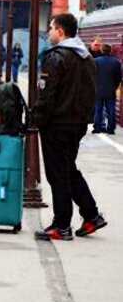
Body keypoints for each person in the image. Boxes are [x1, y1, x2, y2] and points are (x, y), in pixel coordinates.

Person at [33, 13, 107, 241]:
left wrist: (35, 120)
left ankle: (61, 225)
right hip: (77, 124)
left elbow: (47, 96)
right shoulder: (87, 59)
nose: (49, 33)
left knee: (58, 175)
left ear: (61, 32)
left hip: (56, 124)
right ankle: (91, 215)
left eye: (51, 28)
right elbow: (90, 94)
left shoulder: (56, 58)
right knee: (68, 170)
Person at [93, 44, 122, 135]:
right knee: (111, 110)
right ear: (110, 51)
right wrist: (115, 86)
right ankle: (111, 128)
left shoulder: (96, 61)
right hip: (110, 90)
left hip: (98, 89)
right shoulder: (116, 62)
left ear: (102, 51)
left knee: (98, 109)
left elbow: (92, 75)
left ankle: (97, 127)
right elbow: (119, 77)